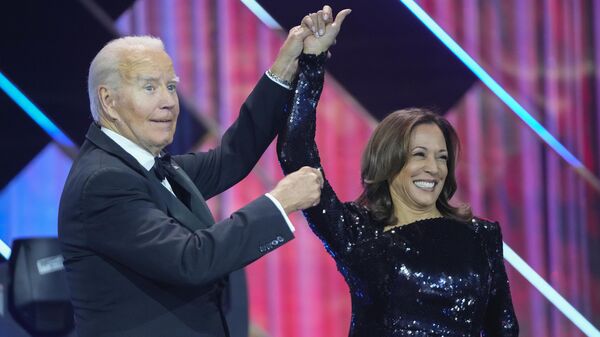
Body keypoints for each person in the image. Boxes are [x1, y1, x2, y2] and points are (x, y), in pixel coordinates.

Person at [57, 6, 345, 336]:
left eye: (171, 86)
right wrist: (280, 202)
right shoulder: (104, 181)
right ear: (108, 101)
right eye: (150, 88)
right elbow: (190, 260)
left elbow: (232, 157)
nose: (168, 101)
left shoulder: (147, 165)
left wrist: (287, 63)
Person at [277, 19, 520, 337]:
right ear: (388, 162)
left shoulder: (482, 237)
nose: (433, 168)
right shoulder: (357, 232)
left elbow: (504, 327)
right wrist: (312, 63)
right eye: (419, 154)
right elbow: (296, 154)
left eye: (442, 157)